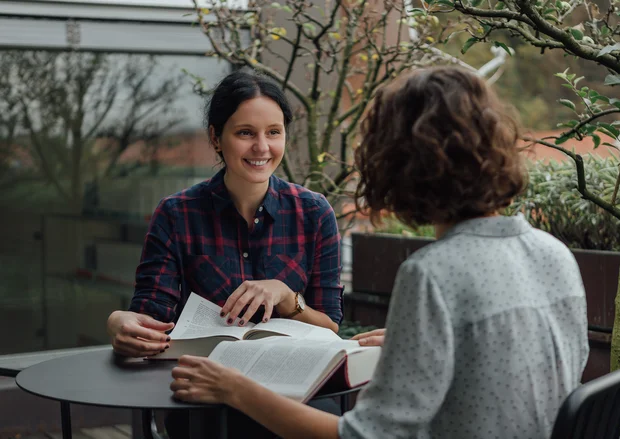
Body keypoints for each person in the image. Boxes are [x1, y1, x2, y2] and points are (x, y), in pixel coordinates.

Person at [169, 65, 590, 439]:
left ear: (398, 164)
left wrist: (235, 389)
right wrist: (438, 345)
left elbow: (362, 435)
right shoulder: (554, 254)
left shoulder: (432, 274)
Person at [106, 69, 344, 436]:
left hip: (293, 396)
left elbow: (330, 328)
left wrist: (285, 295)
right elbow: (149, 320)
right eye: (245, 133)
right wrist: (119, 322)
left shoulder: (314, 214)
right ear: (216, 138)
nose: (262, 148)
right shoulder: (177, 214)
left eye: (274, 132)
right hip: (206, 400)